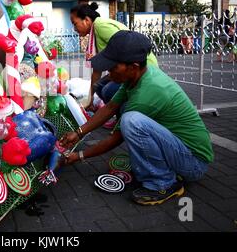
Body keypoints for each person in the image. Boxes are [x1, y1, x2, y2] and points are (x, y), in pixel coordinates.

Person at [60, 30, 214, 205]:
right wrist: (78, 133)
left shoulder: (149, 91)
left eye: (113, 67)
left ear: (133, 67)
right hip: (179, 149)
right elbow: (110, 107)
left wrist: (79, 156)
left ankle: (163, 183)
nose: (108, 72)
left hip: (193, 163)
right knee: (127, 115)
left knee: (131, 121)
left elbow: (115, 138)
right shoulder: (138, 76)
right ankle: (163, 168)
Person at [70, 2, 158, 128]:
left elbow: (125, 46)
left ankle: (124, 121)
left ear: (87, 20)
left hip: (140, 67)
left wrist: (89, 99)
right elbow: (97, 69)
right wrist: (89, 99)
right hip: (129, 68)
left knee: (107, 90)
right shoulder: (96, 31)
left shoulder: (101, 26)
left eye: (75, 23)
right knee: (99, 85)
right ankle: (118, 118)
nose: (74, 29)